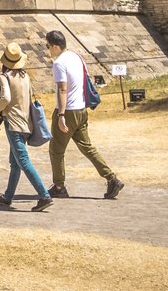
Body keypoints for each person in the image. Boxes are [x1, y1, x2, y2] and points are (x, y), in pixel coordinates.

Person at [46, 30, 124, 200]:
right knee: (87, 147)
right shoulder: (77, 57)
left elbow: (62, 88)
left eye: (48, 46)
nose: (48, 50)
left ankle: (59, 186)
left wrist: (60, 115)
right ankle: (111, 178)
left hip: (68, 111)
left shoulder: (59, 63)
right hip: (82, 109)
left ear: (54, 46)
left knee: (56, 150)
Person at [0, 42, 52, 211]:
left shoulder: (5, 77)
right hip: (26, 123)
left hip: (14, 124)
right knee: (15, 162)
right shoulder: (26, 76)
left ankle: (44, 195)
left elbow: (5, 99)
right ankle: (8, 196)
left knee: (23, 161)